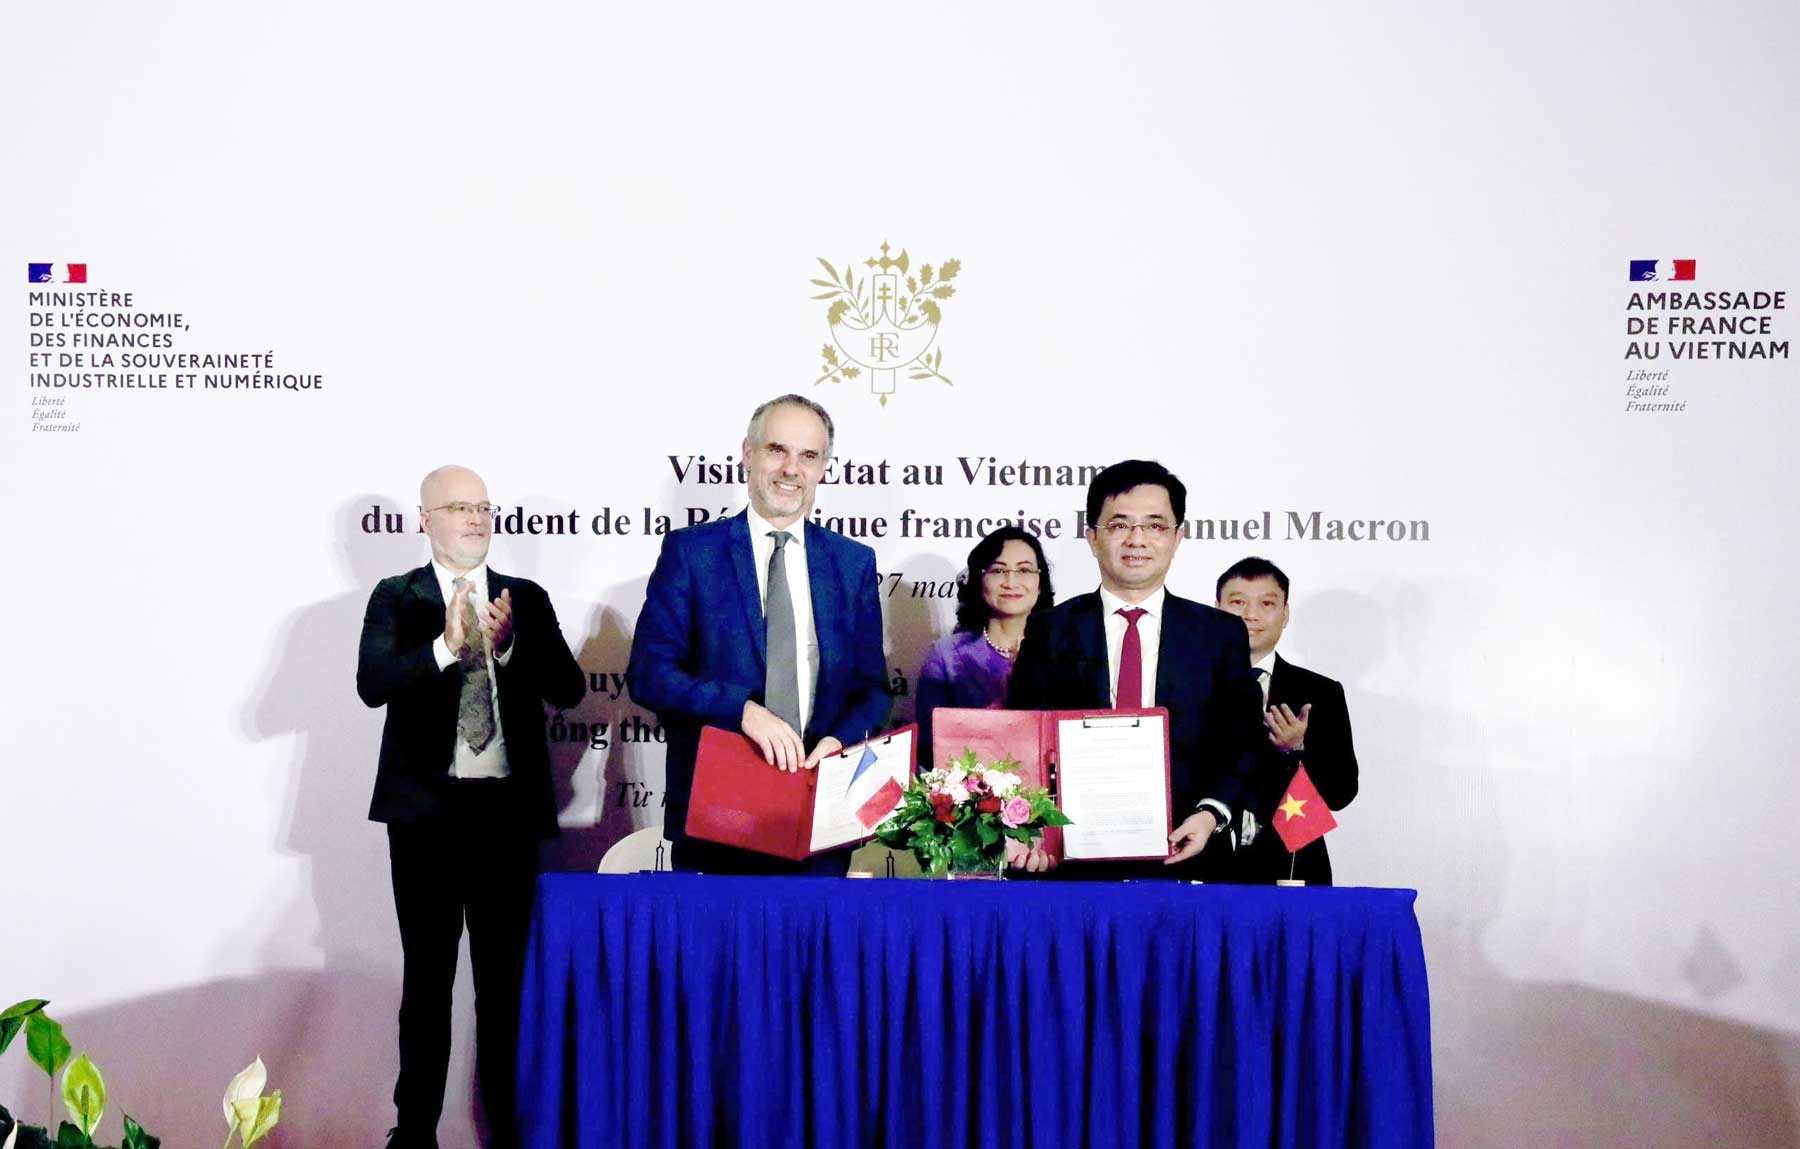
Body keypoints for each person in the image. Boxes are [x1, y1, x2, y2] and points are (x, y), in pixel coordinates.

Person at [356, 465, 585, 1149]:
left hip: (505, 820)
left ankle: (508, 1132)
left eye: (484, 507)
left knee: (504, 987)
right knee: (427, 984)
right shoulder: (397, 596)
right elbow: (373, 682)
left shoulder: (526, 598)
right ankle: (414, 1133)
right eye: (460, 507)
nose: (477, 519)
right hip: (425, 819)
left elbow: (569, 688)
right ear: (425, 520)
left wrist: (509, 647)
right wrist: (445, 647)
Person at [626, 394, 891, 875]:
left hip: (819, 820)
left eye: (808, 456)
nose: (791, 469)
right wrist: (743, 711)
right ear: (748, 454)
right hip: (717, 820)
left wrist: (840, 739)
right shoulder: (693, 553)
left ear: (823, 468)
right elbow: (650, 674)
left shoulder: (852, 562)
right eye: (777, 450)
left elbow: (872, 690)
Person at [1006, 460, 1262, 879]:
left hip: (1186, 851)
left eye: (1155, 525)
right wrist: (1033, 828)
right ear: (1092, 537)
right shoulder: (1050, 629)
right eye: (1119, 525)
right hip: (1071, 859)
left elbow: (1244, 741)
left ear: (1177, 537)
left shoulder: (1219, 634)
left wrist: (1211, 814)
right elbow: (1022, 736)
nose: (1137, 539)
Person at [1215, 556, 1359, 884]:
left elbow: (1341, 793)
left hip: (1291, 866)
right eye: (1238, 602)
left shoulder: (1320, 692)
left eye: (1266, 603)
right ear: (1216, 609)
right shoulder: (1186, 685)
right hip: (1203, 865)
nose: (1251, 615)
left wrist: (1298, 750)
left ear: (1285, 614)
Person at [915, 527, 1056, 770]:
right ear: (980, 580)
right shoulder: (946, 657)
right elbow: (930, 748)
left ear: (1040, 583)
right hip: (972, 788)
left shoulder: (1065, 651)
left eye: (1024, 570)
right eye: (998, 570)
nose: (1011, 582)